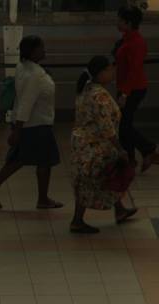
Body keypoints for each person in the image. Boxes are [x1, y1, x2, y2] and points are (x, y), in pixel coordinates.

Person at [0, 36, 63, 211]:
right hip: (37, 124)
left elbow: (20, 100)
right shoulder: (36, 75)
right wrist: (17, 130)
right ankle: (40, 198)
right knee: (40, 161)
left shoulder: (22, 67)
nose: (44, 51)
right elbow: (26, 102)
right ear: (33, 51)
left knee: (22, 159)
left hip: (29, 123)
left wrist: (16, 125)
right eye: (41, 48)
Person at [70, 56, 137, 234]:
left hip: (85, 144)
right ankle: (77, 221)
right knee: (91, 180)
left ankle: (120, 209)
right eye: (109, 70)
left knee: (107, 176)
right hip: (95, 146)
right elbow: (106, 127)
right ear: (100, 73)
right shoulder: (99, 95)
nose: (112, 72)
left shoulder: (87, 89)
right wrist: (120, 148)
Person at [114, 5, 157, 173]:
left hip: (134, 89)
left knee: (123, 125)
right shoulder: (127, 38)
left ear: (129, 23)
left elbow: (134, 70)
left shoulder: (137, 42)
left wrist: (125, 93)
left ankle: (148, 149)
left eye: (120, 20)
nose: (117, 22)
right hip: (126, 87)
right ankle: (130, 159)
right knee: (124, 124)